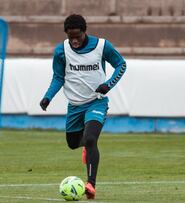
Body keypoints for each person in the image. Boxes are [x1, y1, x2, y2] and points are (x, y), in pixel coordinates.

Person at [39, 14, 126, 199]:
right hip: (75, 106)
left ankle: (90, 184)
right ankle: (86, 146)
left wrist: (107, 85)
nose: (75, 40)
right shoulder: (61, 51)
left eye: (78, 36)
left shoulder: (102, 46)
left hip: (97, 101)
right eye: (71, 37)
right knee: (72, 144)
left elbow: (121, 65)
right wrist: (47, 97)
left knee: (91, 138)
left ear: (84, 32)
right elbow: (58, 77)